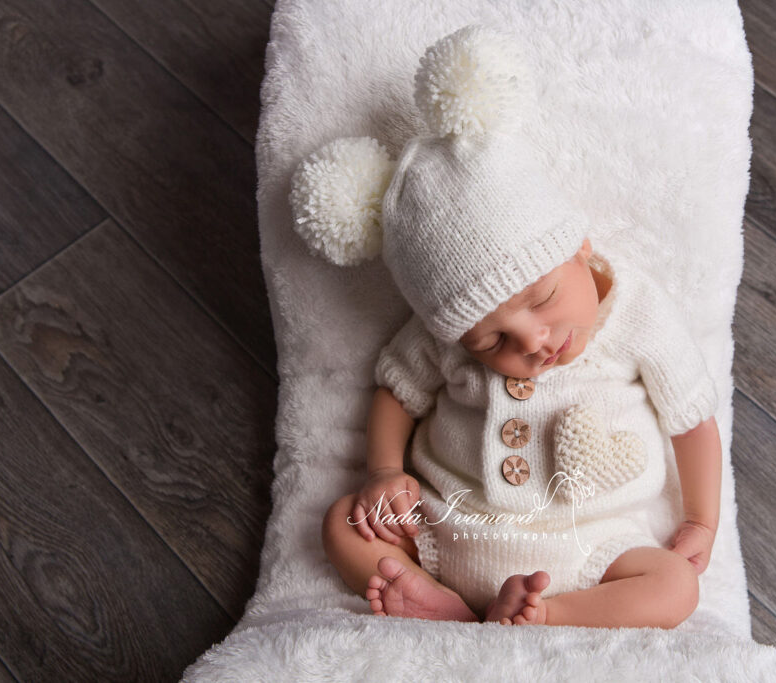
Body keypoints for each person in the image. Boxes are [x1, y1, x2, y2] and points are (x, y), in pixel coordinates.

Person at [296, 24, 722, 628]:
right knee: (344, 523)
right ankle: (439, 603)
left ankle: (551, 614)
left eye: (544, 298)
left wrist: (702, 520)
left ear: (579, 247)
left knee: (675, 585)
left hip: (595, 545)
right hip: (451, 527)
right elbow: (397, 391)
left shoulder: (636, 312)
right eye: (489, 342)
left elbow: (693, 419)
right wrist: (385, 473)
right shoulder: (439, 335)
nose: (533, 342)